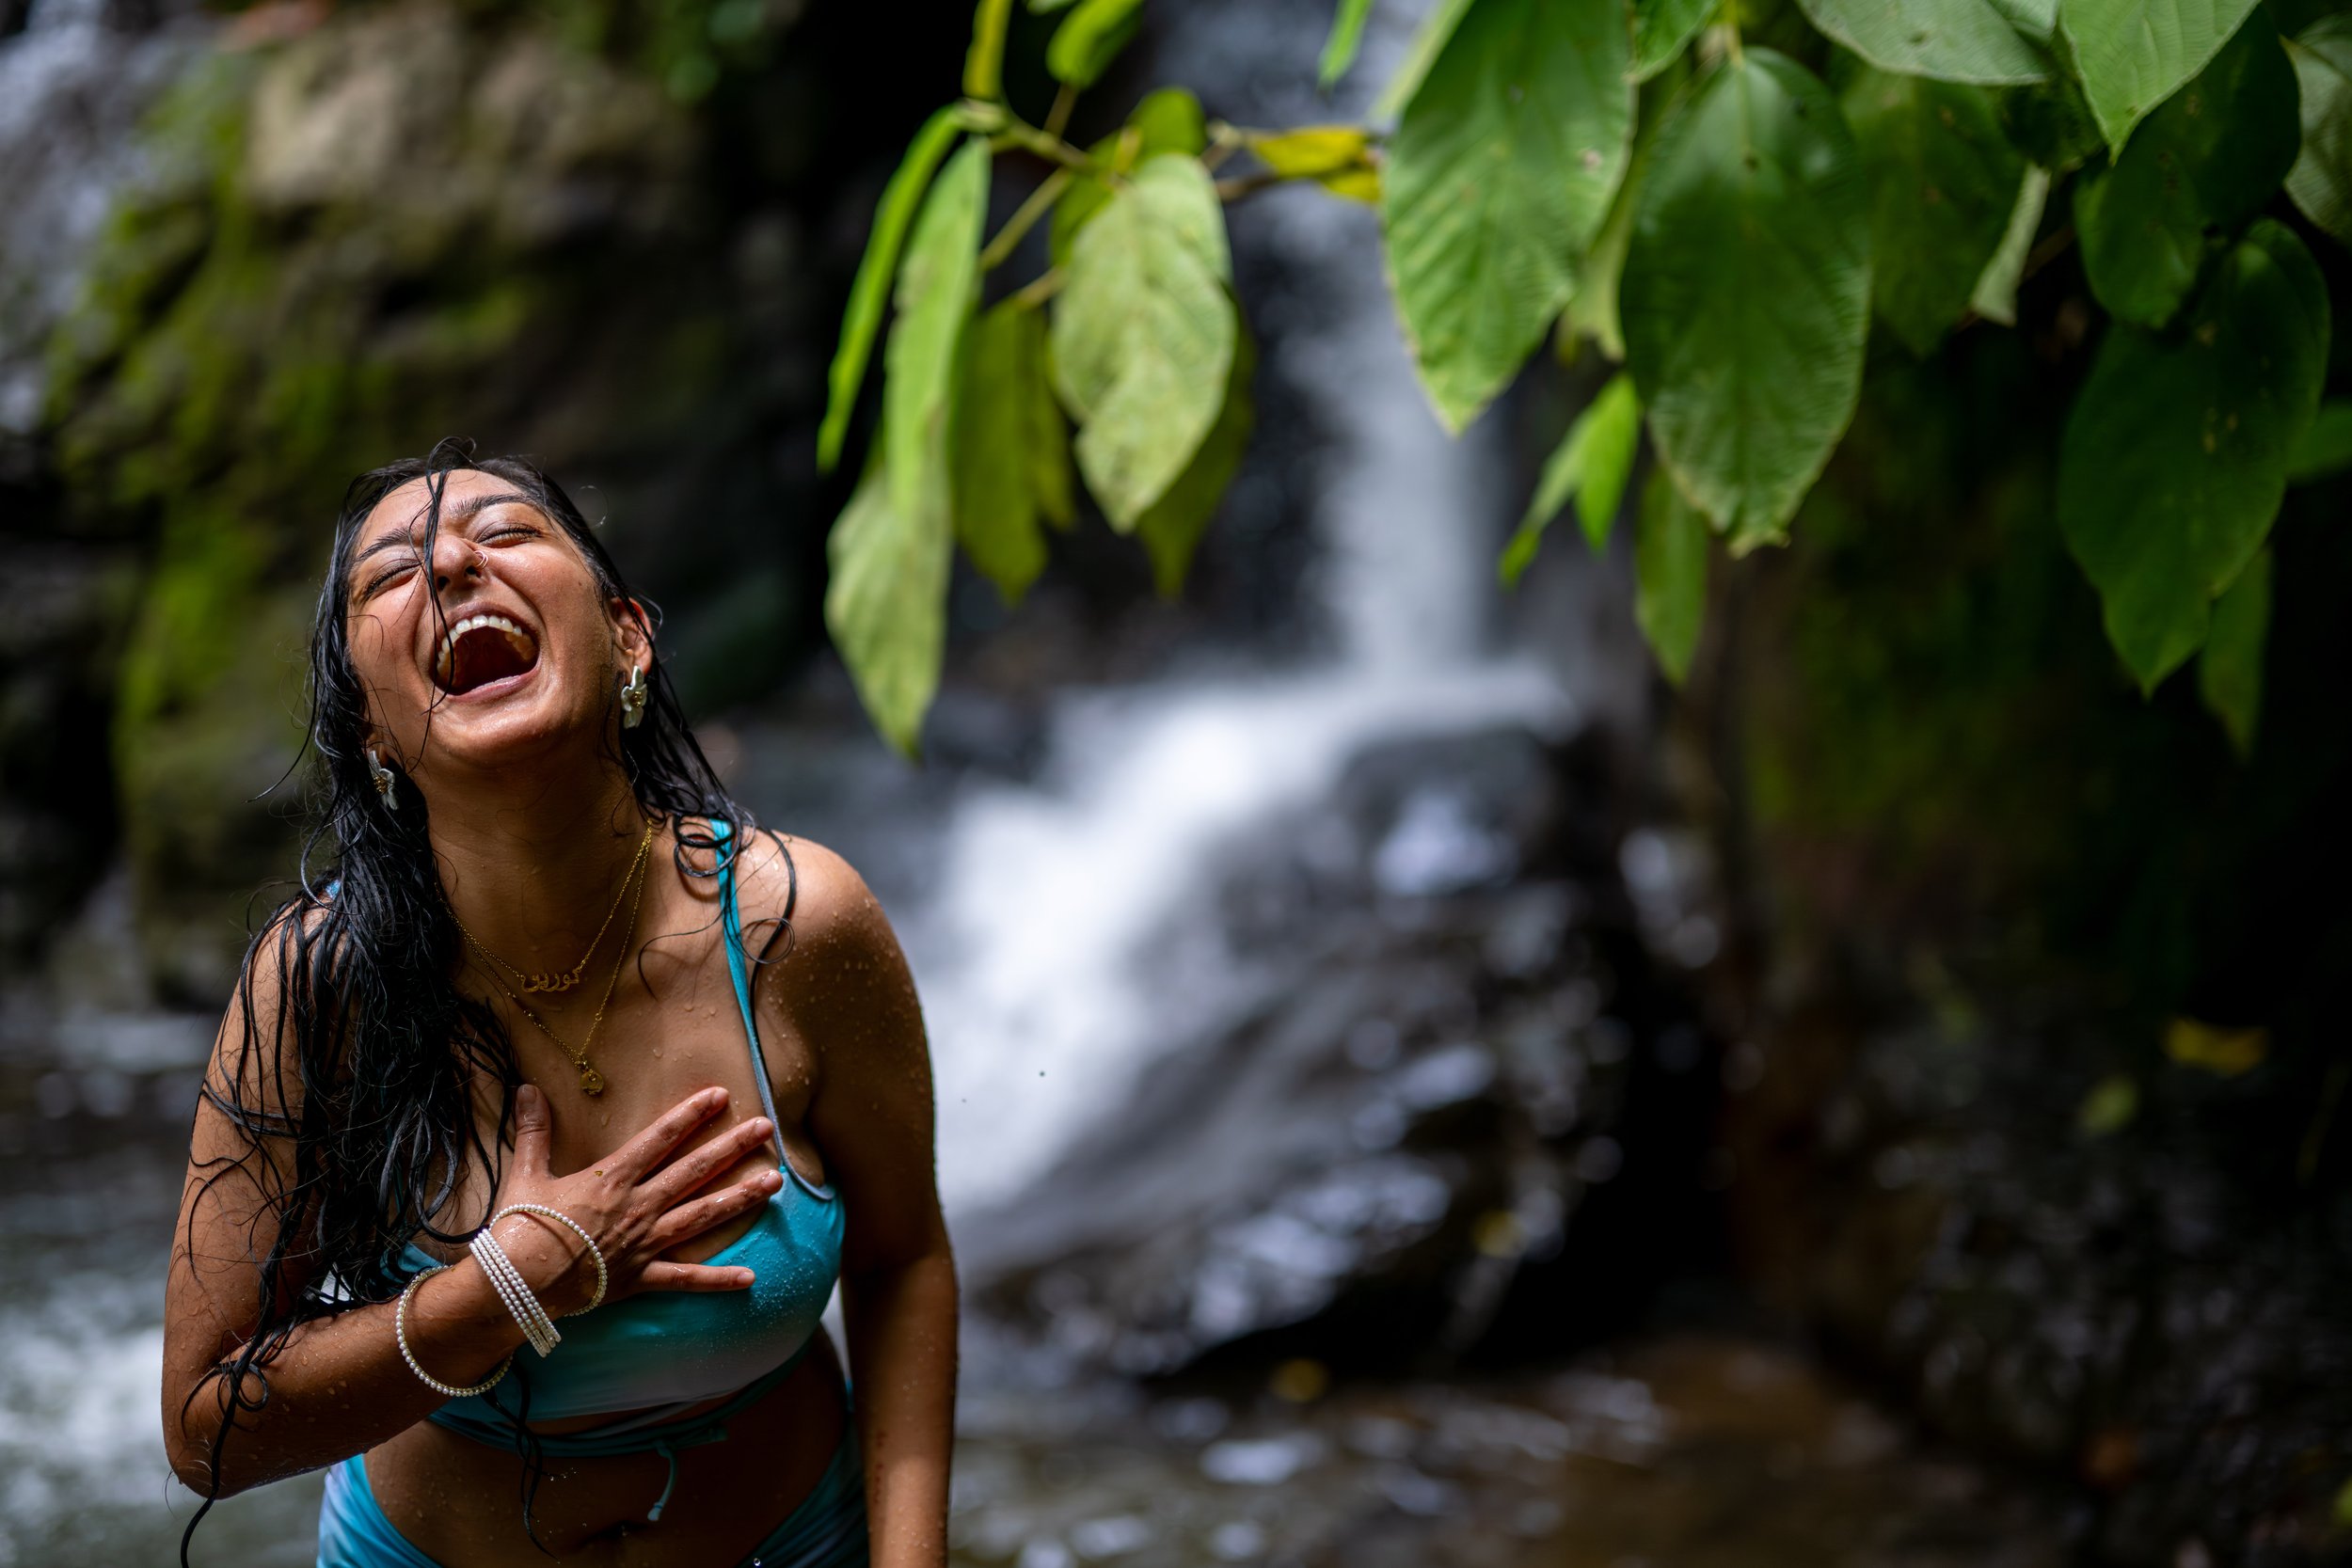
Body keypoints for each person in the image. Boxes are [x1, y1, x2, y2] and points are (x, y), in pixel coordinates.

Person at [159, 439, 956, 1568]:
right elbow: (205, 1430)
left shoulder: (796, 925)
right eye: (390, 575)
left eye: (508, 532)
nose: (446, 562)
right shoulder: (318, 984)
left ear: (627, 635)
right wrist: (503, 1286)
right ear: (373, 729)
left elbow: (902, 1259)